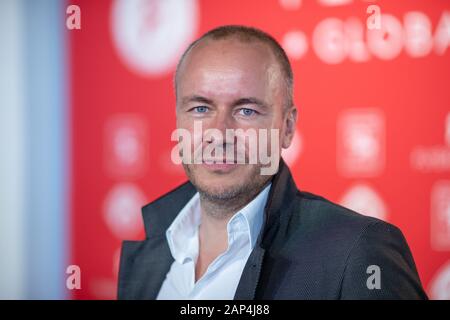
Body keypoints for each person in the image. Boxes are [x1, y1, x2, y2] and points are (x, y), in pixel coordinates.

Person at [117, 25, 427, 299]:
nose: (219, 133)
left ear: (288, 128)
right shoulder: (150, 253)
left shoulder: (359, 252)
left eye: (246, 111)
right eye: (200, 109)